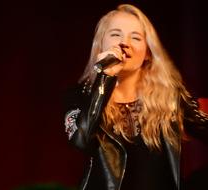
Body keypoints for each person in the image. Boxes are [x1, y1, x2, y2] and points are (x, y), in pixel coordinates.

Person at [63, 3, 208, 190]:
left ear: (148, 52)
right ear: (101, 44)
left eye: (136, 37)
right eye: (115, 34)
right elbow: (81, 140)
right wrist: (105, 78)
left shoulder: (171, 97)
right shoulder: (79, 95)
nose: (125, 43)